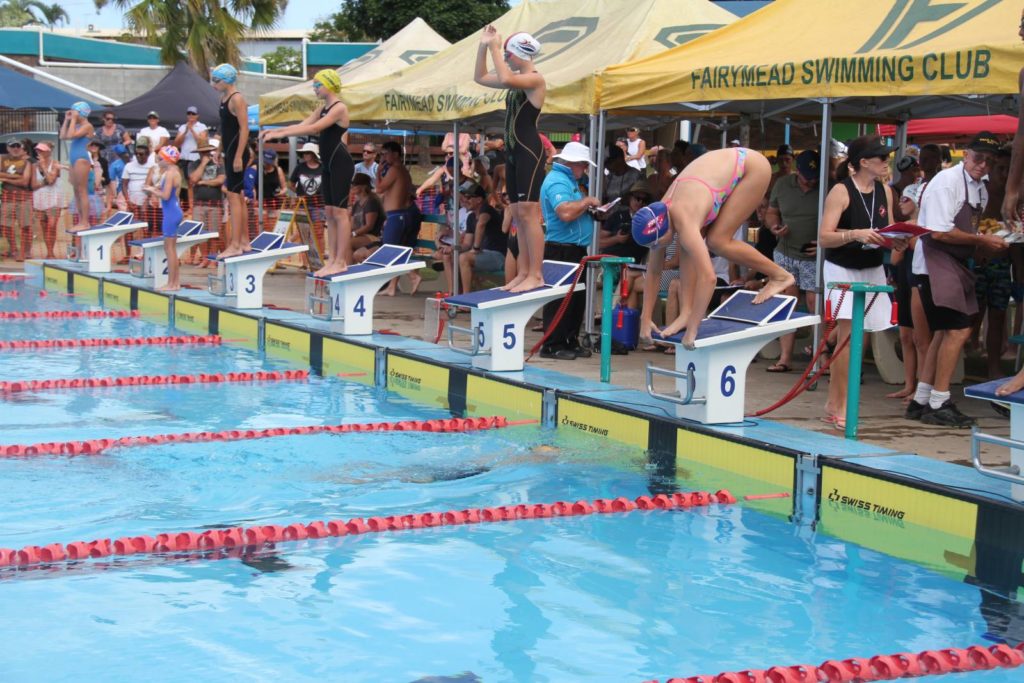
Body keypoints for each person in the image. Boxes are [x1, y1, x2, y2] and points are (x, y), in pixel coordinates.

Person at [634, 147, 795, 349]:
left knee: (717, 241)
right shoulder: (659, 216)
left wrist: (693, 329)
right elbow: (654, 270)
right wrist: (645, 317)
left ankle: (780, 275)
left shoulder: (684, 218)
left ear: (664, 227)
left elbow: (708, 278)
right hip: (719, 169)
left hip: (751, 167)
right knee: (689, 245)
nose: (656, 248)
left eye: (657, 243)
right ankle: (685, 312)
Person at [907, 132, 1006, 427]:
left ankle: (921, 399)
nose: (982, 165)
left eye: (989, 161)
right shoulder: (946, 182)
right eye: (978, 158)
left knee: (943, 332)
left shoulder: (981, 188)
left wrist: (983, 245)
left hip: (955, 263)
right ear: (966, 154)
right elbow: (937, 232)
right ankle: (940, 401)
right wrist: (982, 241)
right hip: (934, 263)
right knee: (959, 331)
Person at [817, 135, 901, 429]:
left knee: (862, 337)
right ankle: (840, 404)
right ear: (863, 162)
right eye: (881, 158)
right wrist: (855, 234)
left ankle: (837, 400)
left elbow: (888, 229)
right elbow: (823, 237)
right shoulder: (841, 191)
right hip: (843, 267)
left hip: (872, 266)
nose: (886, 162)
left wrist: (898, 241)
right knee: (848, 337)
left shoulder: (885, 191)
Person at [474, 26, 546, 293]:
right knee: (517, 213)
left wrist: (495, 46)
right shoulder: (516, 78)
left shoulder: (535, 79)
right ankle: (524, 272)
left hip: (529, 151)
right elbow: (480, 76)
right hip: (514, 153)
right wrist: (484, 45)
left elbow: (504, 79)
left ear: (519, 53)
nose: (504, 58)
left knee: (529, 214)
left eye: (507, 54)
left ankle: (535, 274)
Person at [261, 69, 353, 276]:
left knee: (340, 213)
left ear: (329, 85)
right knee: (329, 212)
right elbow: (304, 124)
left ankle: (341, 261)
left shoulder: (339, 108)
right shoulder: (322, 108)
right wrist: (276, 132)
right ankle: (331, 261)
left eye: (317, 85)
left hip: (340, 163)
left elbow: (314, 129)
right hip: (328, 164)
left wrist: (282, 132)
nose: (314, 88)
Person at [538, 142, 601, 359]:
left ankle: (569, 339)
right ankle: (552, 344)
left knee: (575, 300)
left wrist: (591, 211)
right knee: (559, 299)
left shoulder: (568, 180)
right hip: (561, 249)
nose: (584, 169)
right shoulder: (557, 181)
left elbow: (572, 211)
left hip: (573, 248)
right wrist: (586, 202)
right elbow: (564, 212)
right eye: (583, 164)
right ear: (572, 163)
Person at [766, 149, 821, 373]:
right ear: (797, 171)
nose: (811, 182)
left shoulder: (828, 186)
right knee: (787, 301)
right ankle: (785, 357)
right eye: (807, 177)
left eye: (814, 178)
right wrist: (775, 227)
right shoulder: (782, 184)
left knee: (813, 302)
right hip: (786, 251)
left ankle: (820, 354)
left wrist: (825, 242)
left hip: (814, 255)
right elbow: (771, 213)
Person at [888, 181, 924, 401]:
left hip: (918, 284)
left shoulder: (927, 226)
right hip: (904, 282)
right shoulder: (904, 227)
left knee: (921, 339)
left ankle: (922, 386)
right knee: (905, 337)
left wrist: (910, 236)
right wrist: (901, 239)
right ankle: (909, 384)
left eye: (906, 199)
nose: (901, 202)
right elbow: (894, 258)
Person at [211, 64, 251, 259]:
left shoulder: (237, 99)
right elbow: (226, 129)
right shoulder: (223, 98)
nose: (213, 85)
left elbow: (244, 129)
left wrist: (237, 155)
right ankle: (243, 241)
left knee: (234, 197)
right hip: (229, 151)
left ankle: (235, 244)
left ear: (226, 80)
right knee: (238, 196)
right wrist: (219, 150)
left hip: (237, 153)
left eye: (216, 81)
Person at [376, 140, 421, 295]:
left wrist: (377, 172)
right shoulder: (401, 170)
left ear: (395, 154)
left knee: (391, 251)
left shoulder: (395, 169)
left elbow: (379, 189)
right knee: (397, 250)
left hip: (398, 216)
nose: (382, 157)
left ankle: (413, 275)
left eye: (385, 154)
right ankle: (391, 287)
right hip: (399, 215)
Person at [144, 146, 183, 291]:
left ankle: (172, 284)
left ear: (167, 159)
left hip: (171, 213)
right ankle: (175, 283)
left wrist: (151, 190)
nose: (157, 160)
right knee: (170, 249)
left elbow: (165, 196)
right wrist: (154, 189)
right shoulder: (174, 172)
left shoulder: (170, 173)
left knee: (170, 250)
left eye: (160, 158)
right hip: (173, 211)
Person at [458, 181, 505, 292]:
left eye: (468, 197)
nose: (465, 200)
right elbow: (466, 244)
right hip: (485, 255)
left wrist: (476, 248)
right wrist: (453, 249)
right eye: (464, 197)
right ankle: (454, 294)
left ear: (479, 200)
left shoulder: (487, 210)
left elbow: (481, 224)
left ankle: (466, 300)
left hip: (499, 256)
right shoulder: (470, 218)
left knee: (464, 258)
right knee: (453, 257)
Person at [188, 139, 225, 266]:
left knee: (214, 233)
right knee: (200, 233)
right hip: (199, 204)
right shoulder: (193, 165)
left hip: (215, 204)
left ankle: (213, 258)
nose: (204, 155)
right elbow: (193, 179)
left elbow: (220, 180)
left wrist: (203, 182)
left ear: (210, 151)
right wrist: (203, 164)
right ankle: (205, 258)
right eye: (202, 152)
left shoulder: (219, 165)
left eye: (206, 152)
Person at [60, 101, 95, 232]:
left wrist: (73, 119)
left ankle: (85, 222)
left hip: (81, 159)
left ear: (81, 113)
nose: (73, 114)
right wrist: (66, 120)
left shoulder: (87, 126)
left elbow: (70, 136)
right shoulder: (78, 125)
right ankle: (81, 220)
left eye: (75, 112)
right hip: (74, 158)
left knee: (82, 190)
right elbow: (62, 136)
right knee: (76, 191)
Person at [0, 139, 33, 259]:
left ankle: (27, 251)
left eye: (17, 146)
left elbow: (25, 181)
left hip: (23, 198)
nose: (15, 149)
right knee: (6, 225)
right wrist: (14, 176)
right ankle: (13, 249)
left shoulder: (26, 162)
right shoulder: (2, 159)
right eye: (12, 146)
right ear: (8, 148)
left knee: (26, 225)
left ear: (21, 148)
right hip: (7, 198)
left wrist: (6, 179)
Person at [30, 142, 63, 259]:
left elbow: (51, 180)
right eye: (38, 150)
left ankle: (51, 252)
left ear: (49, 151)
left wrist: (43, 166)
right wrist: (44, 182)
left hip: (54, 200)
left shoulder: (56, 164)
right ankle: (49, 251)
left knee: (52, 225)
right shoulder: (34, 166)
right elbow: (33, 185)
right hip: (40, 200)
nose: (39, 152)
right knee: (44, 226)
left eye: (42, 150)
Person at [174, 105, 208, 208]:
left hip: (196, 158)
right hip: (184, 159)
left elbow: (202, 142)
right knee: (187, 184)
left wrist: (192, 130)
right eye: (189, 113)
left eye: (193, 114)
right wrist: (185, 131)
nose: (191, 116)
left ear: (197, 115)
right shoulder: (182, 127)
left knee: (195, 182)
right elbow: (176, 144)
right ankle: (191, 206)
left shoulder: (202, 127)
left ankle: (197, 204)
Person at [350, 173, 385, 259]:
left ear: (364, 186)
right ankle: (350, 268)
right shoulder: (357, 203)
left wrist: (354, 233)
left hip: (374, 237)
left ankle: (349, 268)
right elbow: (352, 224)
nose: (352, 187)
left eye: (355, 184)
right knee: (343, 242)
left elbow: (369, 226)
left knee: (347, 243)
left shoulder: (371, 201)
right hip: (361, 236)